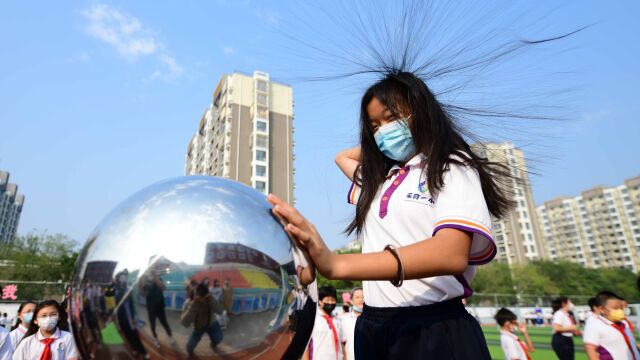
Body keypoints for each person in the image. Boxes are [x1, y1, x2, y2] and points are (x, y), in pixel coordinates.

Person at [268, 71, 507, 359]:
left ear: (422, 113)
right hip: (373, 327)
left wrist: (337, 264)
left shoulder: (451, 165)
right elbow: (342, 157)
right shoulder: (380, 180)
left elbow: (451, 253)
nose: (383, 131)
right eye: (374, 126)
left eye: (392, 117)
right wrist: (374, 142)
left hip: (433, 329)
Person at [12, 299, 79, 360]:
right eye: (44, 316)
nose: (48, 319)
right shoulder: (26, 342)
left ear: (59, 317)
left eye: (53, 314)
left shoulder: (68, 338)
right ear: (35, 320)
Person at [583, 291, 636, 360]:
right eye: (615, 308)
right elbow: (590, 349)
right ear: (601, 309)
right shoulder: (595, 325)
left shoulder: (624, 323)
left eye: (621, 308)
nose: (620, 311)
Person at [181, 284, 225, 359]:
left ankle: (213, 344)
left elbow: (220, 311)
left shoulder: (209, 299)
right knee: (189, 346)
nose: (204, 300)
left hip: (211, 323)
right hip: (198, 327)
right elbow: (184, 323)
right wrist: (194, 305)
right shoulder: (188, 303)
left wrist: (211, 299)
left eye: (206, 297)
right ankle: (191, 355)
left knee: (218, 338)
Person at [304, 286, 343, 360]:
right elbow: (305, 345)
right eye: (327, 300)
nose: (330, 303)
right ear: (320, 301)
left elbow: (341, 343)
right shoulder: (313, 318)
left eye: (333, 300)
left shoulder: (337, 320)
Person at [140, 272, 176, 348]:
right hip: (151, 308)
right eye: (150, 273)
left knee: (165, 323)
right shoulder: (146, 283)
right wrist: (139, 283)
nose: (151, 276)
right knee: (152, 325)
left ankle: (171, 337)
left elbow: (163, 288)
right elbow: (142, 294)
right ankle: (156, 339)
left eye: (152, 274)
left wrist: (156, 278)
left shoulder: (159, 279)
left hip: (160, 307)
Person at [340, 287, 364, 360]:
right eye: (357, 297)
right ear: (351, 301)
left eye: (363, 297)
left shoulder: (373, 319)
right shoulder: (344, 319)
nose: (361, 300)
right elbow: (342, 343)